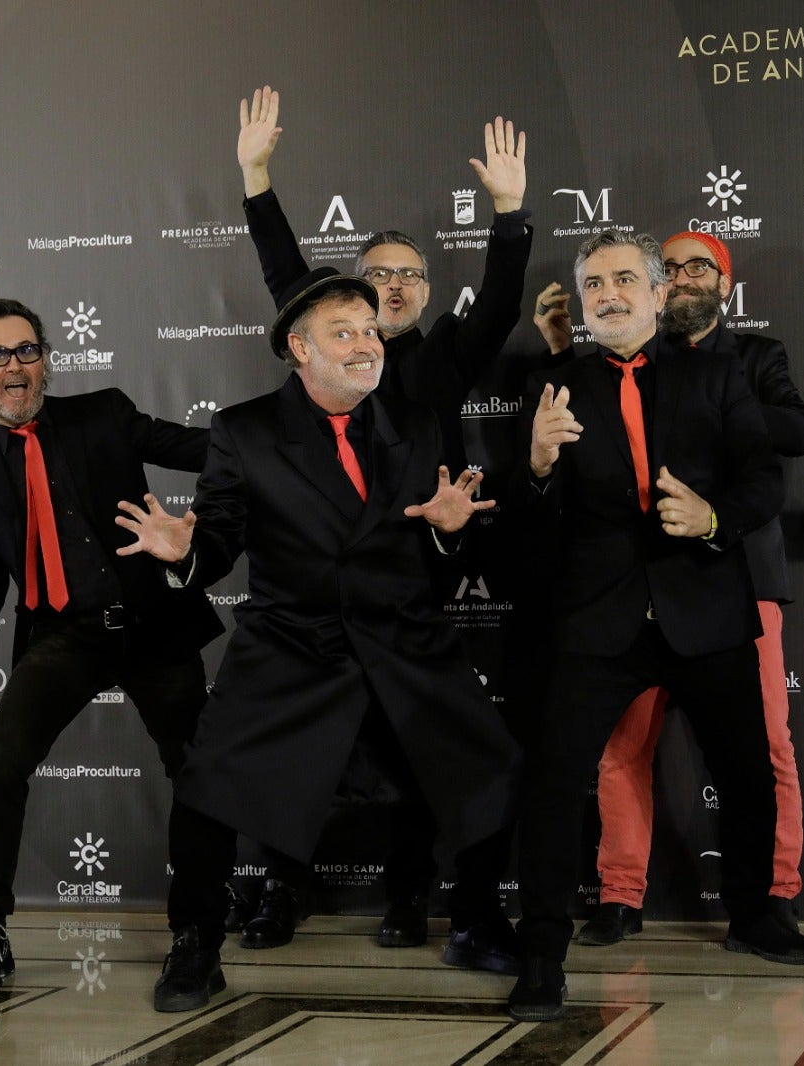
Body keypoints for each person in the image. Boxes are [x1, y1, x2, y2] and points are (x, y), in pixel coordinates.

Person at [119, 268, 521, 1012]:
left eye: (370, 331)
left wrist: (448, 535)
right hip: (293, 641)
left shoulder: (417, 422)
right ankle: (196, 945)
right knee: (208, 786)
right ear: (300, 349)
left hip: (403, 637)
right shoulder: (245, 431)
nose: (366, 344)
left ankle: (477, 919)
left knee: (487, 760)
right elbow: (221, 541)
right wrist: (187, 555)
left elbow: (436, 554)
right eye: (346, 332)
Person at [233, 86, 532, 950]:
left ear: (427, 295)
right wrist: (255, 178)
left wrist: (508, 213)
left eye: (409, 275)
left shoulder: (442, 360)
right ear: (343, 305)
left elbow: (503, 302)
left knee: (419, 754)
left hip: (407, 587)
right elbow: (285, 272)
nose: (393, 285)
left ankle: (417, 901)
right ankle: (277, 894)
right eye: (378, 274)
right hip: (313, 592)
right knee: (297, 755)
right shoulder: (323, 344)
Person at [506, 230, 804, 1023]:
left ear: (655, 293)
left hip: (705, 604)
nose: (608, 295)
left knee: (747, 771)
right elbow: (529, 528)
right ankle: (541, 955)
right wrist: (537, 468)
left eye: (623, 280)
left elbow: (761, 482)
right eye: (593, 286)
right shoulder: (557, 389)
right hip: (597, 619)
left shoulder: (719, 375)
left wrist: (713, 518)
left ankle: (757, 915)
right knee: (551, 782)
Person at [0, 297, 222, 993]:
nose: (14, 366)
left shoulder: (105, 414)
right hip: (63, 635)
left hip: (152, 624)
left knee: (196, 769)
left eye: (26, 351)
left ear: (46, 361)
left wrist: (282, 440)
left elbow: (207, 451)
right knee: (1, 763)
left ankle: (197, 934)